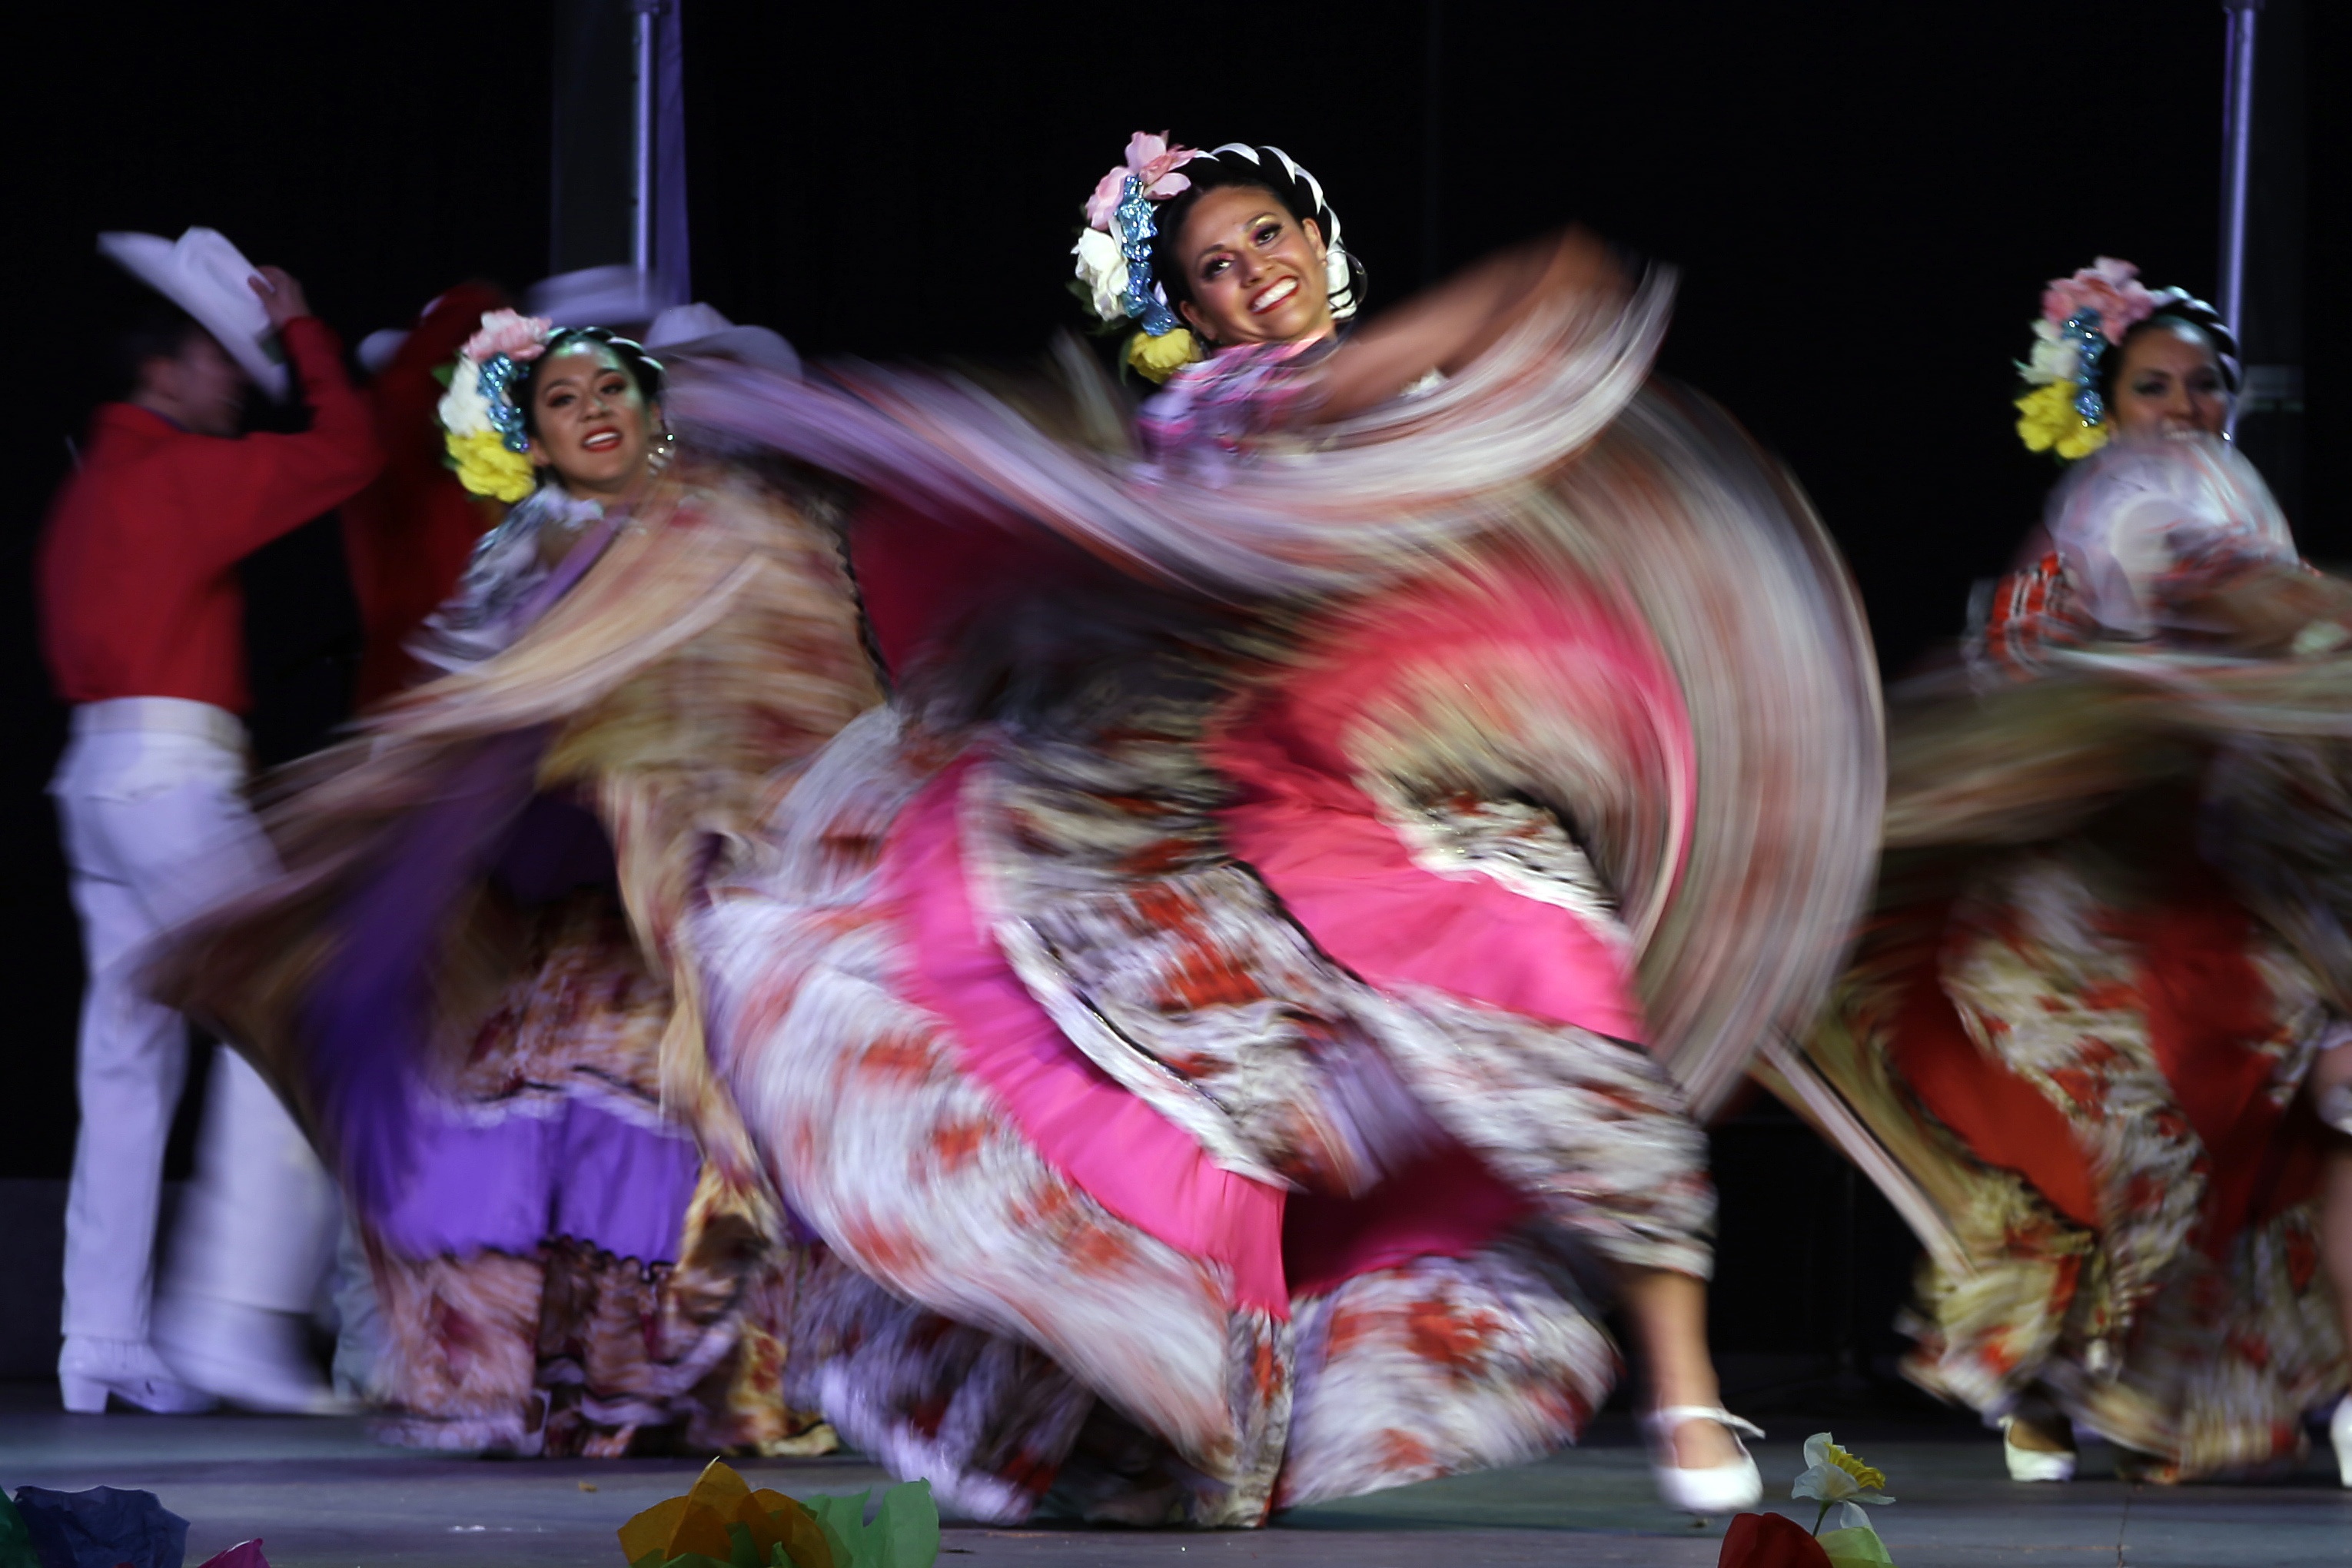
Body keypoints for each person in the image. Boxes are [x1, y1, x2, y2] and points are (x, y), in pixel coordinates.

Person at [669, 133, 1881, 1521]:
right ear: (1190, 316)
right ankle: (1215, 1409)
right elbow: (1490, 329)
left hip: (1417, 794)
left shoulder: (1411, 409)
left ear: (1319, 236)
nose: (1254, 277)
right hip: (1239, 825)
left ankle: (1682, 1386)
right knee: (1229, 1134)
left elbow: (1513, 406)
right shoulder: (1233, 411)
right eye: (1215, 271)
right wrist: (1538, 301)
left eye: (1267, 240)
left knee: (1573, 1015)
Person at [158, 311, 871, 1456]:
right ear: (532, 441)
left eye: (612, 390)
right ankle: (568, 1390)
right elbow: (477, 719)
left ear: (653, 413)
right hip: (568, 906)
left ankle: (714, 1385)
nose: (592, 411)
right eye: (560, 400)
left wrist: (694, 793)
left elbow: (810, 695)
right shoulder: (522, 559)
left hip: (711, 902)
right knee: (539, 1117)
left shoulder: (741, 532)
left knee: (700, 1124)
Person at [1772, 257, 2352, 1484]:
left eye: (2205, 385)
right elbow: (2214, 595)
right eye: (2156, 384)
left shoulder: (2213, 490)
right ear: (2109, 400)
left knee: (2245, 1127)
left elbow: (2253, 640)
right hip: (2085, 892)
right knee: (2111, 1139)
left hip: (2206, 868)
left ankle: (2136, 1392)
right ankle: (2055, 1380)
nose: (2184, 407)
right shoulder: (2124, 501)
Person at [41, 228, 381, 1415]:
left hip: (96, 782)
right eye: (220, 360)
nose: (238, 382)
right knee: (290, 1019)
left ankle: (100, 1341)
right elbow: (349, 451)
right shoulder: (176, 478)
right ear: (165, 369)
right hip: (168, 783)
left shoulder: (91, 485)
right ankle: (230, 1317)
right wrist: (301, 329)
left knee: (127, 1063)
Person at [339, 283, 510, 704]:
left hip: (480, 686)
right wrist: (488, 307)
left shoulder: (479, 475)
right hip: (425, 685)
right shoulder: (398, 462)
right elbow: (406, 396)